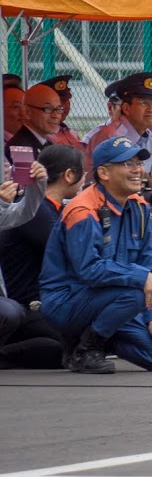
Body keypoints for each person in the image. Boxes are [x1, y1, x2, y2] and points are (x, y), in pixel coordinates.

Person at [39, 136, 152, 374]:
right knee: (137, 289)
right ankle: (86, 350)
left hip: (114, 300)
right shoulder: (83, 209)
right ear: (104, 173)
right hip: (68, 302)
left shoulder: (140, 207)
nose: (138, 170)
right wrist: (140, 276)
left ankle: (94, 338)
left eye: (139, 163)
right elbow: (89, 270)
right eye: (128, 164)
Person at [0, 144, 80, 309]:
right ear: (69, 175)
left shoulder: (52, 207)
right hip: (29, 303)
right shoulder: (39, 211)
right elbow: (70, 254)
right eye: (83, 173)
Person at [0, 152, 60, 369]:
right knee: (10, 311)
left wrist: (37, 185)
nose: (7, 173)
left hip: (21, 303)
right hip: (21, 304)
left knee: (61, 346)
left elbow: (23, 213)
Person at [84, 72, 152, 178]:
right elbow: (95, 182)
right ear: (126, 108)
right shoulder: (109, 136)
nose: (151, 110)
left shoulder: (151, 139)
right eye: (144, 103)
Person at [9, 83, 65, 151]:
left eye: (58, 109)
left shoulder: (46, 143)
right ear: (27, 112)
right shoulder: (21, 148)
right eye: (48, 109)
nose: (55, 116)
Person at [38, 75, 85, 153]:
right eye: (59, 102)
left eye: (67, 100)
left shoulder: (71, 133)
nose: (64, 106)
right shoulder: (42, 136)